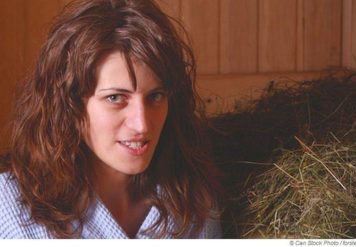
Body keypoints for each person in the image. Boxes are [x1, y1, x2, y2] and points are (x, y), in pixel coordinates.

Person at [0, 0, 222, 239]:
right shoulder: (10, 207)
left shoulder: (193, 201)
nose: (142, 124)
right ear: (69, 102)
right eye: (115, 98)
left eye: (155, 96)